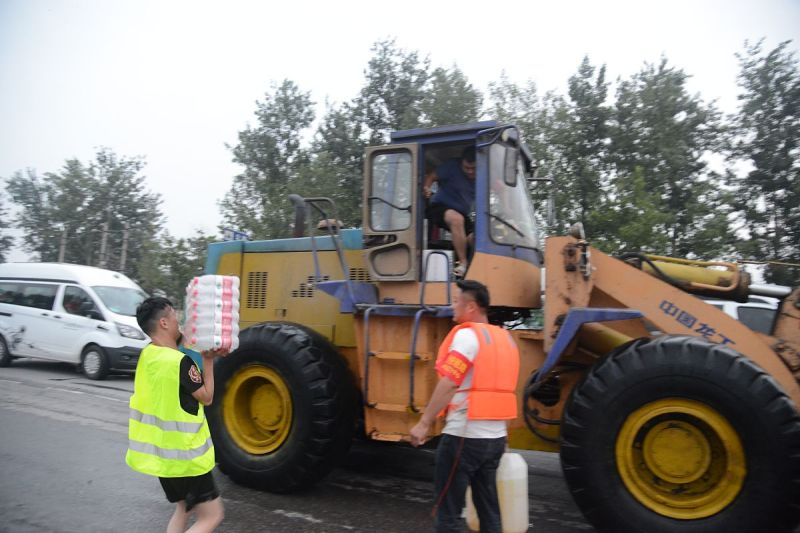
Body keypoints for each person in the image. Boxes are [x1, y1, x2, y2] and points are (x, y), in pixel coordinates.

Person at [410, 280, 520, 533]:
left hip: (464, 437)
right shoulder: (505, 339)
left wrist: (424, 423)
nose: (452, 306)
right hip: (494, 439)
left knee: (448, 513)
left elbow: (450, 381)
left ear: (470, 306)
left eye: (456, 301)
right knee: (489, 510)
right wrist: (503, 435)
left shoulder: (468, 336)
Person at [126, 297, 228, 533]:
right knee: (212, 516)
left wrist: (199, 339)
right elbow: (207, 397)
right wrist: (208, 361)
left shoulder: (148, 355)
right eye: (174, 315)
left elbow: (177, 341)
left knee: (183, 508)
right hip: (186, 457)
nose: (177, 320)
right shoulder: (180, 363)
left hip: (163, 456)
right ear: (163, 323)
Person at [423, 147, 477, 278]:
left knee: (475, 236)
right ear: (461, 163)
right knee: (456, 219)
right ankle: (463, 263)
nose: (470, 172)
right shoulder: (451, 166)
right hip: (439, 207)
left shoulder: (484, 173)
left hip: (462, 213)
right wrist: (426, 188)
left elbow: (500, 186)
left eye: (473, 168)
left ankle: (474, 268)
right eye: (466, 168)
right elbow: (432, 176)